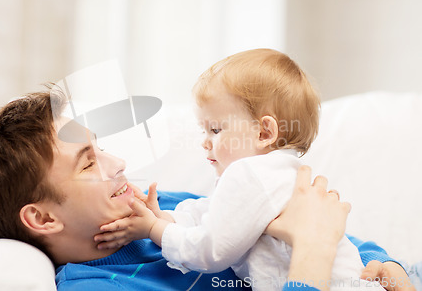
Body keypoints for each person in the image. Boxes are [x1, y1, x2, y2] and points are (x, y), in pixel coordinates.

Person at [0, 89, 411, 291]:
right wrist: (313, 248)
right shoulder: (97, 287)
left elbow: (294, 225)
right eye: (89, 162)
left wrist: (385, 263)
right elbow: (311, 236)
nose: (119, 165)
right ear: (43, 218)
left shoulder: (161, 206)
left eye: (102, 148)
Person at [94, 49, 414, 291]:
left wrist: (154, 229)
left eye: (216, 130)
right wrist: (167, 218)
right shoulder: (274, 173)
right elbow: (212, 213)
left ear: (264, 133)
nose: (205, 143)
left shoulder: (250, 175)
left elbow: (211, 251)